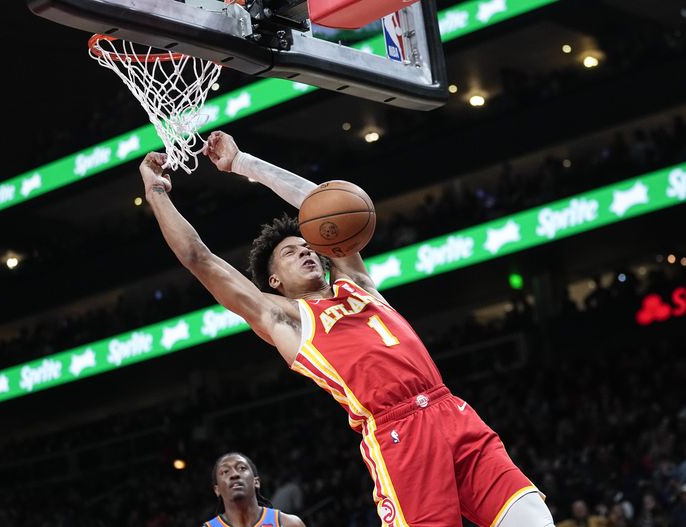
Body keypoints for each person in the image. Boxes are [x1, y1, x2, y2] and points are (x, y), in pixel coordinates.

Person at [139, 131, 555, 527]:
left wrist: (243, 162)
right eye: (290, 253)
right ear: (274, 281)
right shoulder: (284, 318)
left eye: (308, 247)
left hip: (450, 410)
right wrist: (156, 191)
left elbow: (324, 206)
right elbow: (199, 258)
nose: (305, 251)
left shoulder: (356, 283)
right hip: (398, 433)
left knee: (534, 516)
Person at [205, 452, 305, 527]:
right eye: (225, 471)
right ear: (217, 490)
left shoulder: (289, 523)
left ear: (256, 482)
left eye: (242, 468)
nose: (234, 474)